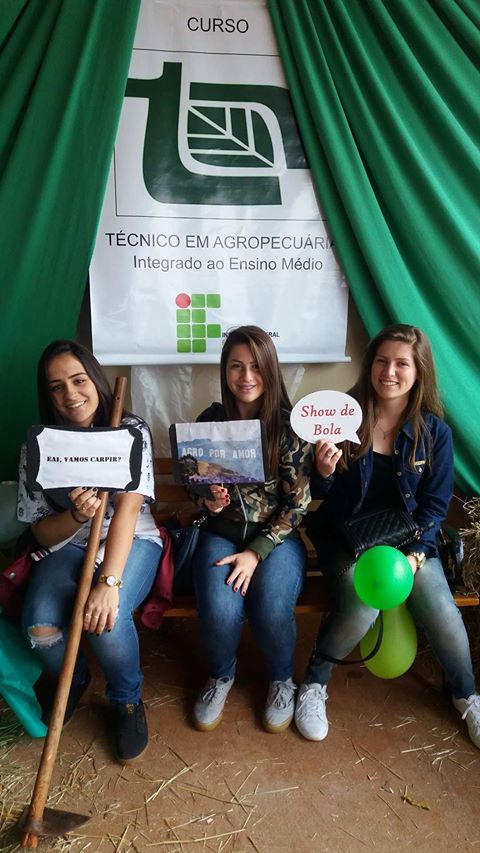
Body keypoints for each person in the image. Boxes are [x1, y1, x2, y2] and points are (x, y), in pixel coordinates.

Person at [295, 324, 480, 748]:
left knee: (442, 609)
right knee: (363, 606)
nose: (389, 372)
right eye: (382, 361)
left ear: (419, 371)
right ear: (370, 365)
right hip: (346, 538)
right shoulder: (342, 417)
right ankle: (314, 684)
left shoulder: (434, 433)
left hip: (408, 541)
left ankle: (467, 695)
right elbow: (320, 494)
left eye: (401, 363)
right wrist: (323, 471)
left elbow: (434, 509)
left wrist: (416, 556)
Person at [18, 340, 163, 762]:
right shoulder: (39, 446)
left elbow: (128, 511)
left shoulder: (129, 431)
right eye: (57, 386)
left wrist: (109, 582)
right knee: (39, 628)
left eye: (79, 380)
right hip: (70, 542)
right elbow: (43, 533)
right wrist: (78, 516)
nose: (70, 394)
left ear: (95, 380)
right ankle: (75, 677)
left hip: (131, 538)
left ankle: (127, 700)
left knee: (106, 620)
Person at [190, 325, 312, 733]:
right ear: (224, 370)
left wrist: (256, 551)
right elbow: (195, 485)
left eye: (256, 366)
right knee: (219, 610)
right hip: (221, 533)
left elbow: (298, 504)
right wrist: (208, 500)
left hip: (276, 540)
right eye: (236, 366)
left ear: (270, 369)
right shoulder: (209, 422)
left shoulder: (289, 428)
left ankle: (282, 679)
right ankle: (221, 675)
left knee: (272, 606)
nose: (246, 376)